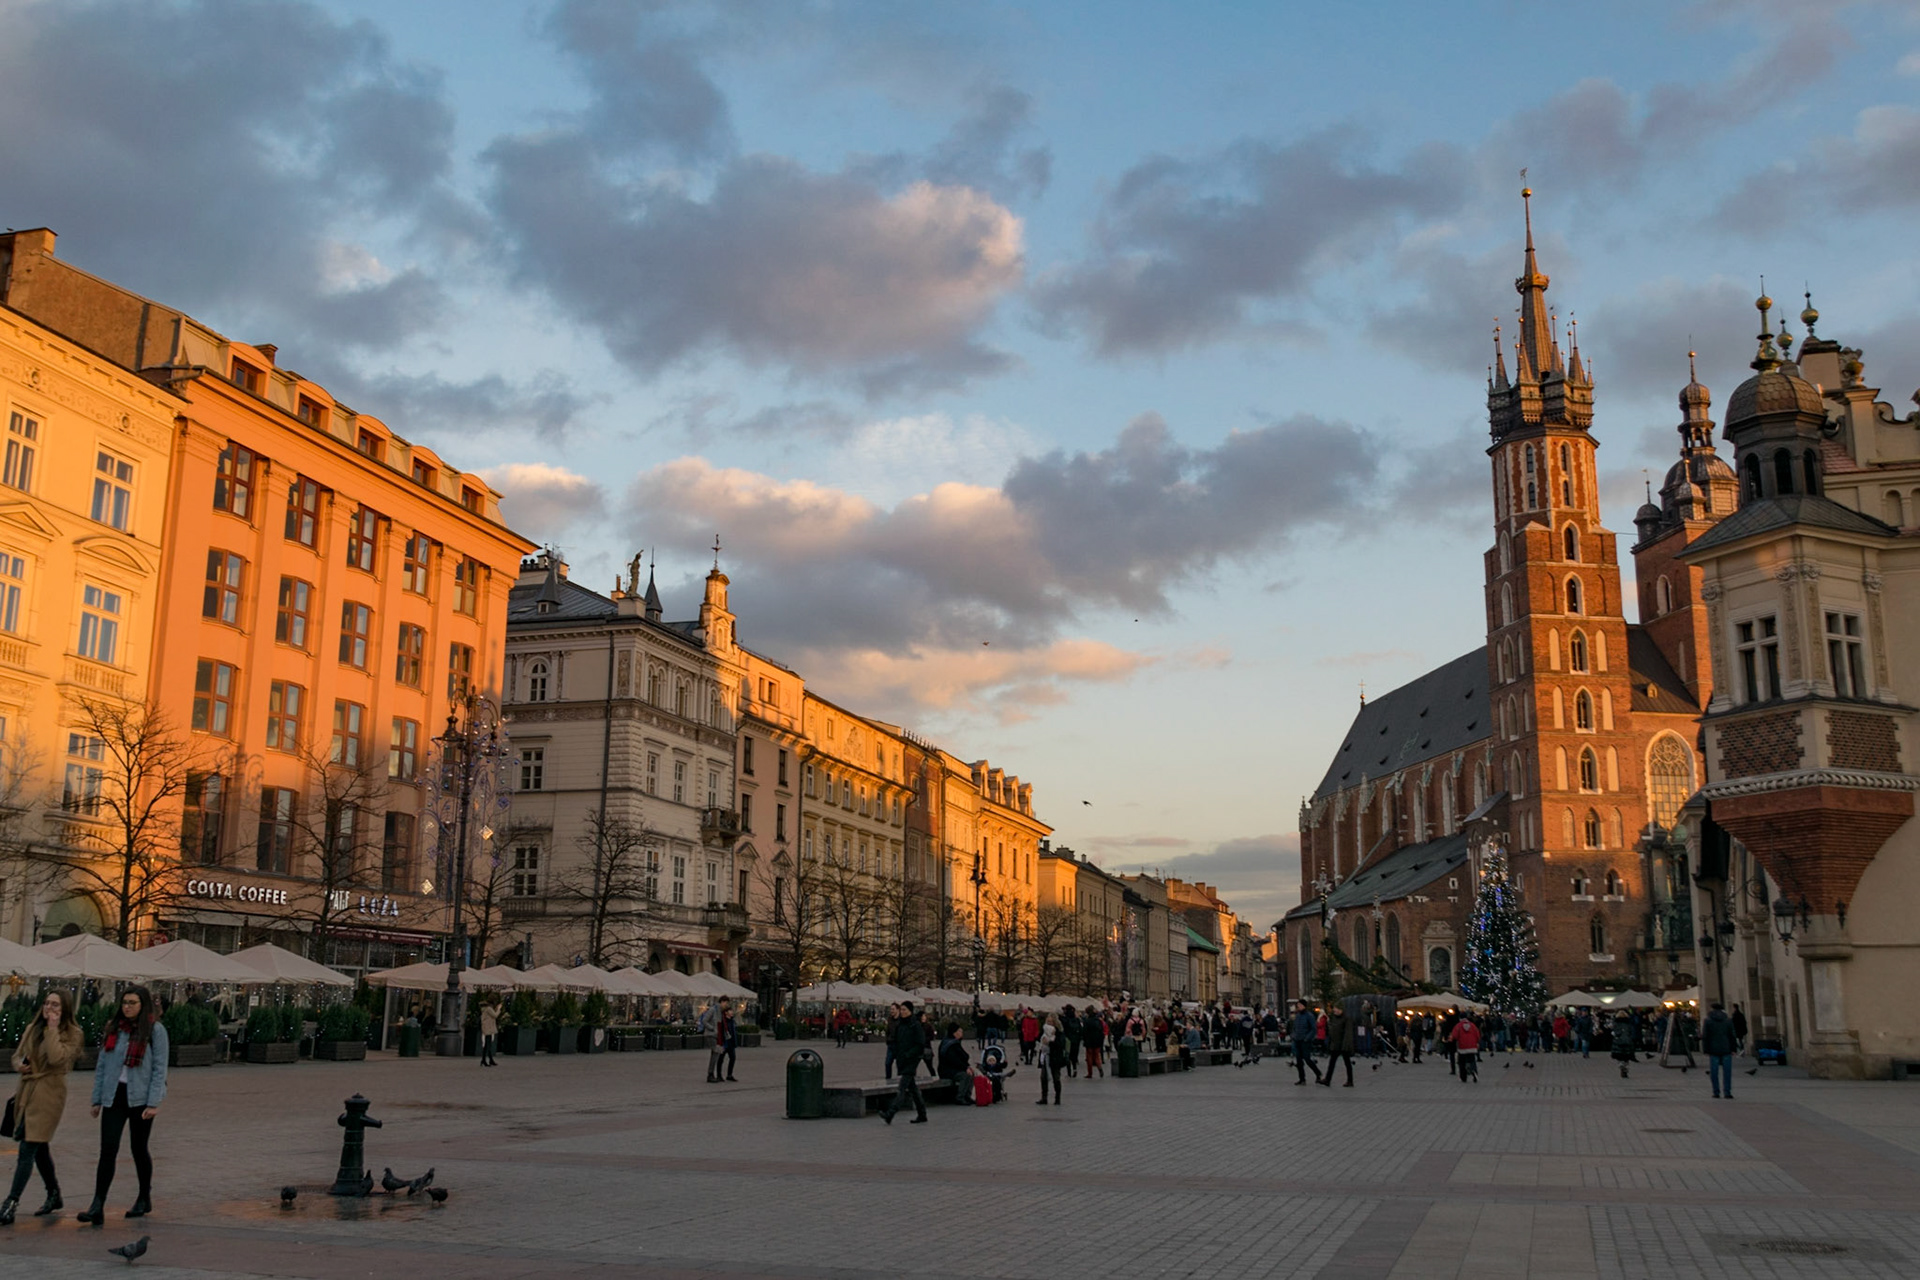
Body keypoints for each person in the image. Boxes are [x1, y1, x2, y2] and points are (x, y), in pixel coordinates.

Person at [82, 985, 168, 1224]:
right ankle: (97, 1204)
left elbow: (160, 1067)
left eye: (132, 1003)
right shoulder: (114, 1029)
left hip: (140, 1098)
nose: (127, 1007)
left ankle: (143, 1197)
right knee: (107, 1150)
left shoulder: (154, 1030)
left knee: (138, 1149)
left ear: (143, 1005)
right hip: (114, 1095)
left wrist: (154, 1102)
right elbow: (102, 1065)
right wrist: (97, 1098)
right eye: (125, 1003)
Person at [2, 987, 82, 1224]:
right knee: (38, 1146)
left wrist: (53, 1030)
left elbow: (57, 1058)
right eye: (47, 1003)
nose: (49, 1008)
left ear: (65, 1008)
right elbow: (17, 1056)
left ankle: (11, 1202)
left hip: (49, 1094)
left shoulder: (73, 1033)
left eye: (55, 1005)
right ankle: (54, 1193)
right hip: (27, 1091)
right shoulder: (32, 1028)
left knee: (28, 1148)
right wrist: (19, 1065)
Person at [878, 1001, 927, 1125]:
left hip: (912, 1060)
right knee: (913, 1089)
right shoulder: (900, 1025)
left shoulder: (915, 1025)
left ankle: (890, 1113)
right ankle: (922, 1114)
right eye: (902, 1010)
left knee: (902, 1088)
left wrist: (909, 1054)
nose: (903, 1012)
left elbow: (920, 1044)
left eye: (905, 1010)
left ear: (910, 1011)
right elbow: (897, 1041)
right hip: (902, 1060)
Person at [1702, 1000, 1737, 1099]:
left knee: (1714, 1072)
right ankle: (1727, 1092)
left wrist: (1706, 1050)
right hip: (1726, 1048)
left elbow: (1705, 1036)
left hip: (1713, 1049)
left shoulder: (1708, 1021)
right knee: (1727, 1072)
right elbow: (1732, 1036)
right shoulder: (1728, 1020)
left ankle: (1716, 1092)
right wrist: (1733, 1048)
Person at [1319, 1001, 1356, 1088]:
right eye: (1334, 1009)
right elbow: (1332, 1030)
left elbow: (1348, 1033)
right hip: (1335, 1044)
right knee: (1332, 1062)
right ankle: (1327, 1079)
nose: (1335, 1010)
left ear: (1341, 1009)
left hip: (1343, 1045)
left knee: (1347, 1063)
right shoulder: (1333, 1018)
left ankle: (1350, 1080)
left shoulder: (1347, 1018)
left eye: (1336, 1009)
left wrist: (1346, 1045)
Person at [936, 1023, 973, 1102]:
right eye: (960, 1031)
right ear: (954, 1033)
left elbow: (963, 1057)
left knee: (970, 1073)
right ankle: (960, 1097)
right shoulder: (949, 1044)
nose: (961, 1033)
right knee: (965, 1076)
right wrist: (965, 1068)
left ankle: (967, 1096)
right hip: (947, 1070)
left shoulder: (955, 1043)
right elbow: (954, 1060)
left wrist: (967, 1067)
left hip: (955, 1069)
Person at [1290, 1001, 1322, 1085]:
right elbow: (1294, 1027)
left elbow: (1313, 1028)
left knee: (1307, 1059)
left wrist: (1307, 1038)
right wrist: (1293, 1035)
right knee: (1299, 1060)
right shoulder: (1298, 1016)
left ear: (1304, 1006)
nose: (1298, 1007)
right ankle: (1302, 1079)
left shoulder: (1309, 1016)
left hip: (1305, 1041)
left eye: (1300, 1005)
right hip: (1297, 1040)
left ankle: (1318, 1073)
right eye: (1298, 1005)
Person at [1037, 1014, 1066, 1105]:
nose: (1048, 1023)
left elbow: (1061, 1044)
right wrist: (1042, 1039)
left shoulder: (1059, 1032)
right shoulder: (1044, 1030)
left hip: (1055, 1058)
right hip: (1045, 1056)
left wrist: (1050, 1042)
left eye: (1050, 1022)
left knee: (1056, 1078)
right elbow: (1038, 1038)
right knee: (1043, 1078)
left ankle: (1057, 1098)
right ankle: (1044, 1098)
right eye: (1047, 1021)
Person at [1450, 1013, 1481, 1082]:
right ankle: (1474, 1071)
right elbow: (1478, 1035)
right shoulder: (1472, 1025)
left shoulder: (1458, 1026)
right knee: (1472, 1060)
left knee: (1461, 1062)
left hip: (1462, 1047)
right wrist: (1477, 1042)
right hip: (1472, 1046)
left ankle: (1463, 1077)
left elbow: (1454, 1036)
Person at [1611, 1011, 1638, 1079]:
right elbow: (1632, 1032)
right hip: (1627, 1041)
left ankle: (1621, 1065)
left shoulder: (1616, 1023)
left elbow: (1614, 1032)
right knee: (1626, 1056)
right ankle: (1625, 1067)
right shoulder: (1629, 1023)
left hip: (1618, 1041)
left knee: (1619, 1056)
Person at [1082, 1005, 1105, 1078]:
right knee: (1097, 1055)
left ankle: (1090, 1073)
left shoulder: (1087, 1021)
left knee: (1089, 1057)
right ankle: (1100, 1068)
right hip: (1097, 1040)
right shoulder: (1098, 1021)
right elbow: (1101, 1030)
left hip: (1089, 1041)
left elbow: (1084, 1031)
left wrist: (1084, 1039)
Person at [478, 999, 499, 1068]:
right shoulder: (489, 1009)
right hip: (488, 1028)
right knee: (488, 1044)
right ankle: (485, 1060)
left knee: (488, 1044)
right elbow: (495, 1015)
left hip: (486, 1027)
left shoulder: (485, 1009)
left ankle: (488, 1059)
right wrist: (498, 1009)